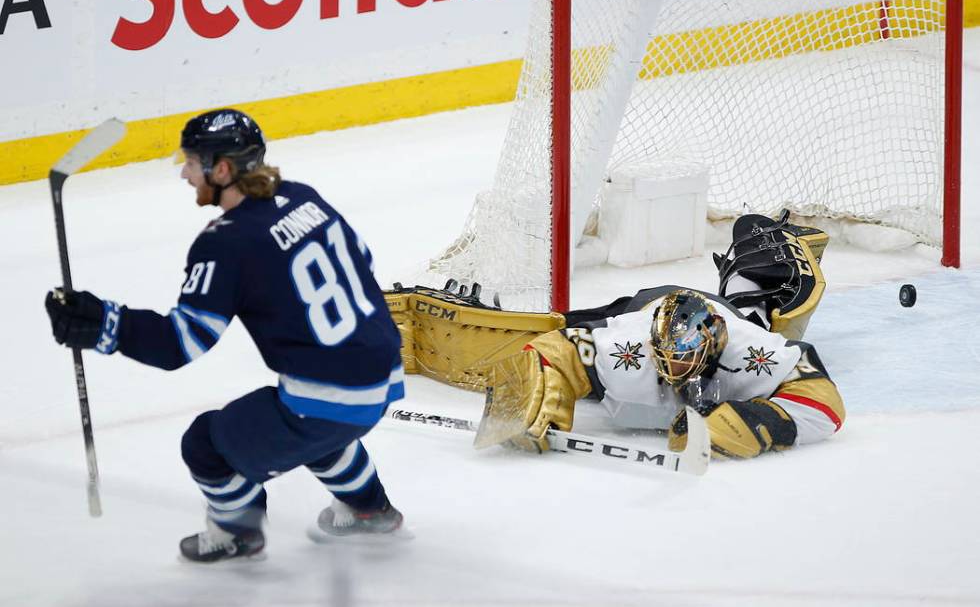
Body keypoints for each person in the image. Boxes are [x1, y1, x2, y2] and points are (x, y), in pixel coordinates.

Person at [44, 109, 405, 562]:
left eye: (192, 163)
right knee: (319, 432)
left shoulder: (225, 242)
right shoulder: (303, 197)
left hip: (333, 396)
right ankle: (370, 510)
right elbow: (364, 263)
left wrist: (102, 323)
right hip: (384, 374)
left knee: (205, 444)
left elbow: (181, 343)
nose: (184, 173)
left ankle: (239, 534)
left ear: (222, 169)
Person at [388, 212, 844, 460]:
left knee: (756, 310)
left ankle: (770, 245)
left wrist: (744, 425)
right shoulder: (625, 347)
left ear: (716, 350)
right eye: (670, 366)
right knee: (562, 327)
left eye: (689, 365)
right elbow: (552, 350)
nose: (679, 376)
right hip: (638, 309)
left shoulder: (751, 350)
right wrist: (528, 403)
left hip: (723, 315)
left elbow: (825, 404)